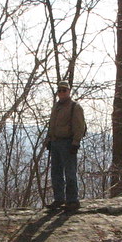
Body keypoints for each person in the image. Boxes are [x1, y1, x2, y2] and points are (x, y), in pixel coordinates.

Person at [44, 81, 86, 211]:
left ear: (69, 91)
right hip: (56, 142)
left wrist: (75, 143)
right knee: (56, 173)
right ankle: (59, 199)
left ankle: (72, 200)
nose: (61, 92)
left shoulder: (75, 107)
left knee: (70, 173)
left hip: (68, 143)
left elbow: (80, 127)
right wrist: (49, 140)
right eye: (59, 90)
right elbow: (52, 125)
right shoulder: (56, 106)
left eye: (64, 90)